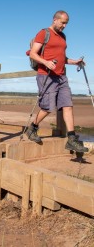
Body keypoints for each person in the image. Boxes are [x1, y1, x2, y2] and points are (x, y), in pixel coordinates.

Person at [27, 10, 88, 153]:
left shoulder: (63, 36)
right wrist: (46, 62)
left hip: (61, 77)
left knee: (68, 105)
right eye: (63, 22)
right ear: (55, 20)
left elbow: (63, 58)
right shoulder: (44, 33)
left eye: (66, 23)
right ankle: (32, 128)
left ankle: (71, 140)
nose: (65, 26)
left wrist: (75, 62)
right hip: (46, 75)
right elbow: (32, 53)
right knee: (48, 107)